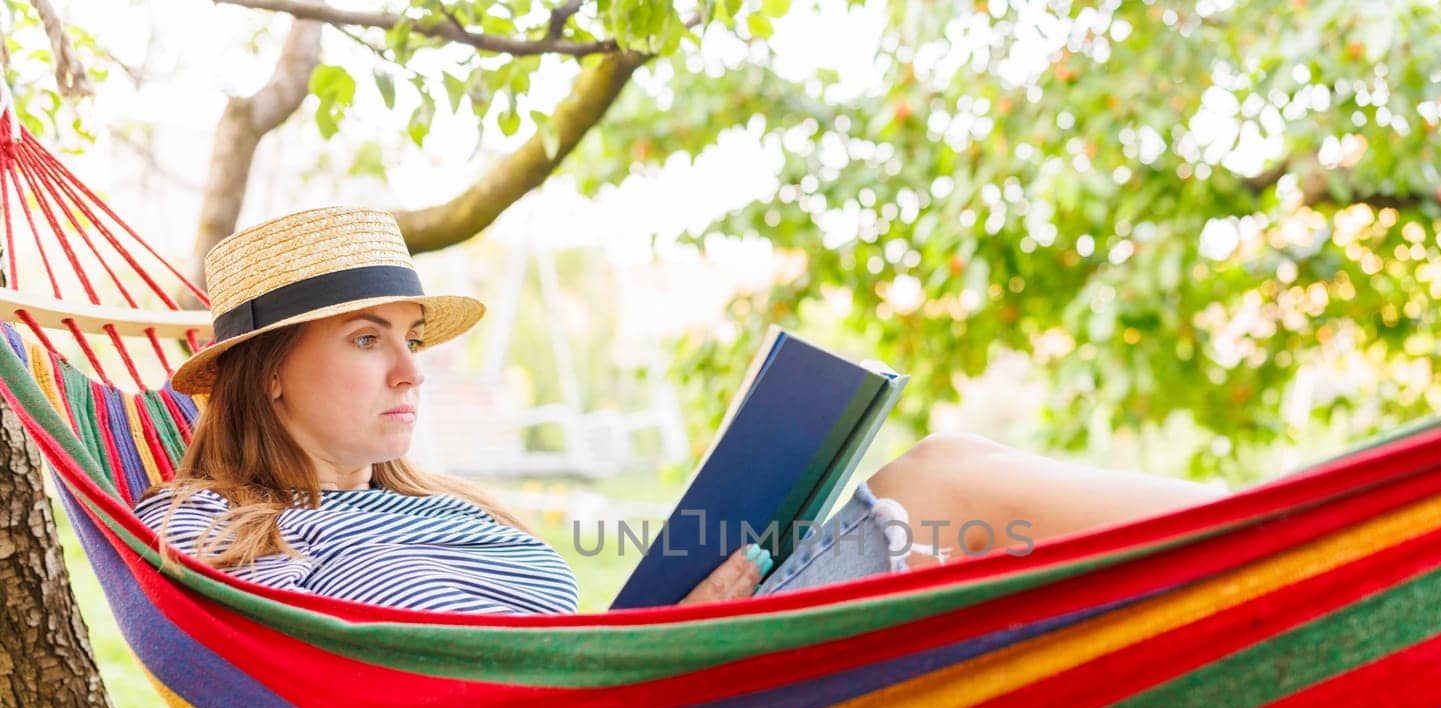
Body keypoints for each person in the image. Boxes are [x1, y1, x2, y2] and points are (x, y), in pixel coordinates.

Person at [137, 206, 1228, 614]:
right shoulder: (212, 524)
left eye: (409, 339)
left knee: (959, 466)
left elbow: (556, 649)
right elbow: (359, 678)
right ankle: (1269, 524)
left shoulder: (444, 507)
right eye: (367, 338)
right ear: (268, 370)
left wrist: (677, 616)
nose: (410, 371)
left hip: (655, 697)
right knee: (940, 479)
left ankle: (1289, 541)